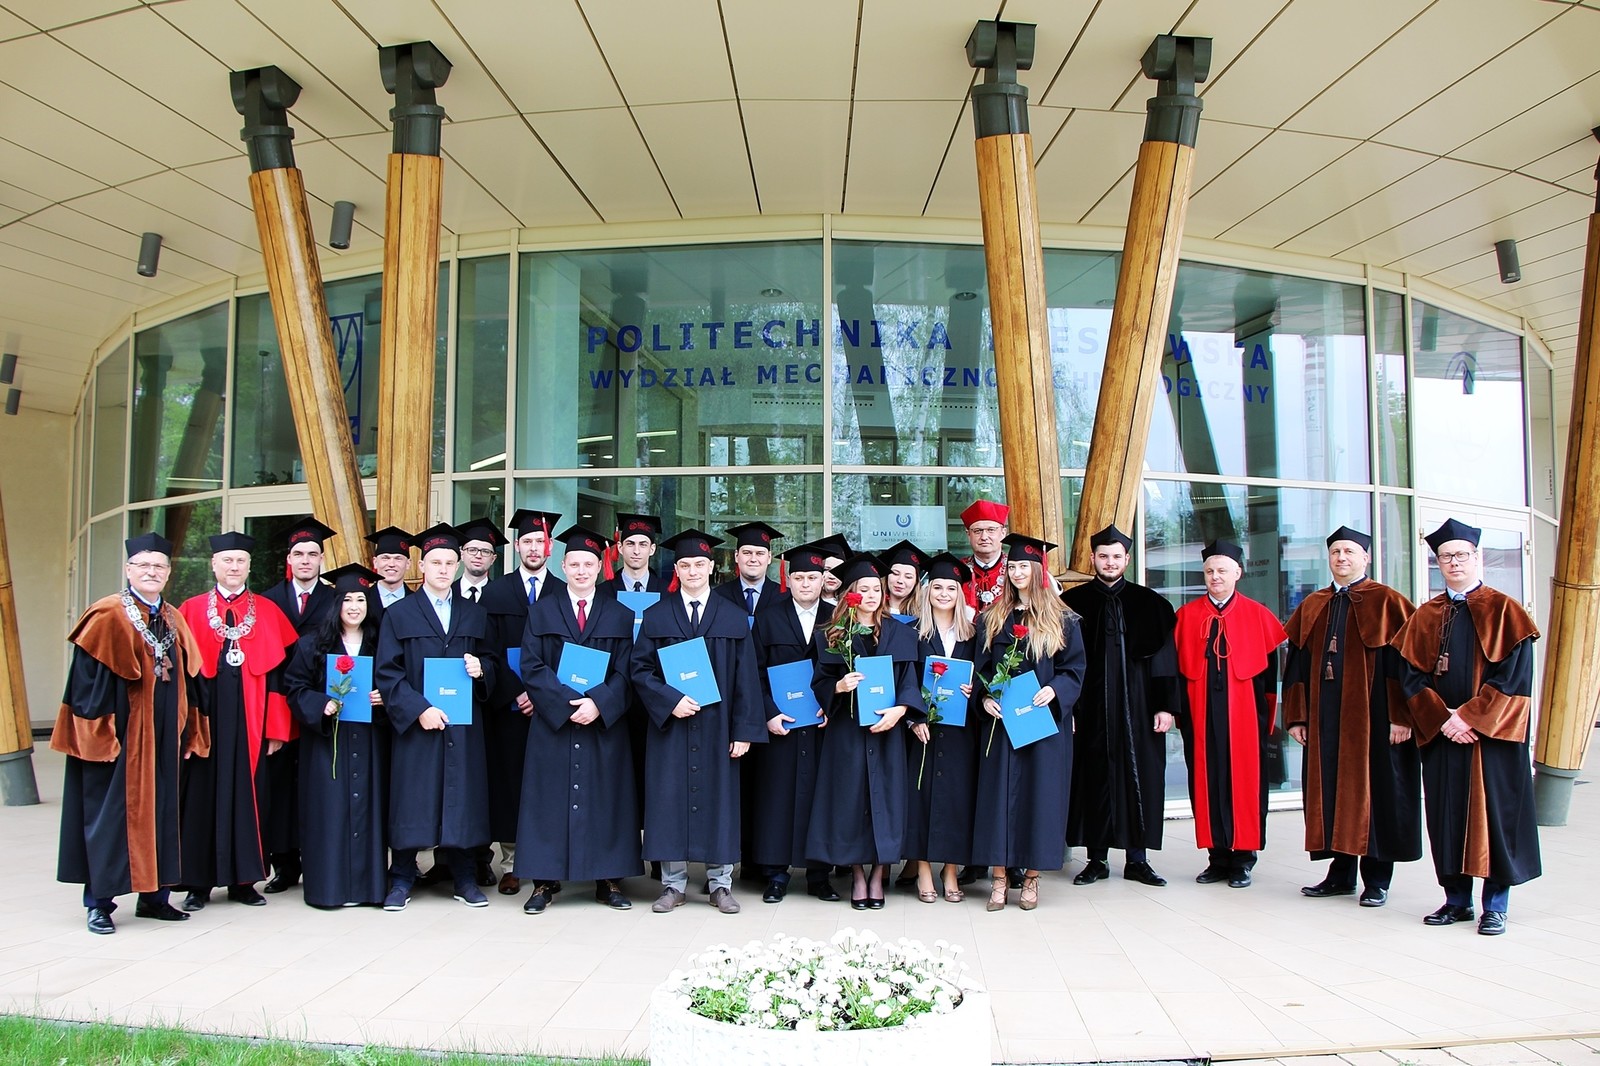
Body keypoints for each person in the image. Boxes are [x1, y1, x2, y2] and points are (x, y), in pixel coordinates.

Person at [53, 532, 210, 935]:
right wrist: (98, 737)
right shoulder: (107, 615)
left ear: (168, 573)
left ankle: (155, 898)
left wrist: (192, 731)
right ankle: (99, 904)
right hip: (121, 740)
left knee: (163, 815)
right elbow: (86, 684)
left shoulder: (173, 619)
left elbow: (193, 681)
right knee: (110, 818)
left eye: (159, 566)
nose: (151, 572)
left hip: (165, 740)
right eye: (143, 565)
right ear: (128, 570)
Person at [1392, 518, 1541, 936]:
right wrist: (1443, 720)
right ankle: (1456, 900)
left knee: (1494, 819)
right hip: (1443, 736)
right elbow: (1409, 677)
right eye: (1445, 557)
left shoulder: (1505, 610)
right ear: (1437, 563)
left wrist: (1469, 717)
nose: (1454, 562)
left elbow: (1514, 679)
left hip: (1491, 739)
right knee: (1447, 818)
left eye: (1461, 555)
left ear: (1477, 557)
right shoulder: (1426, 615)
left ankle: (1495, 905)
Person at [1283, 525, 1421, 908]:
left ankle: (1376, 880)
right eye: (1335, 552)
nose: (1341, 557)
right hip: (1326, 719)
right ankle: (1340, 874)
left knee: (1375, 794)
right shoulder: (1314, 604)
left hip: (1374, 719)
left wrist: (1402, 716)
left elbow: (1406, 665)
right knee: (1331, 791)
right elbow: (1296, 665)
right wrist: (1297, 716)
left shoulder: (1389, 602)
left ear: (1366, 557)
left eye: (1349, 551)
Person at [629, 529, 764, 915]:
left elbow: (747, 679)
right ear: (676, 569)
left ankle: (721, 884)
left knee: (720, 803)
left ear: (711, 567)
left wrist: (744, 730)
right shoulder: (657, 615)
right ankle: (673, 885)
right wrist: (670, 701)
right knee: (669, 801)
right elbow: (639, 670)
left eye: (699, 564)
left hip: (719, 729)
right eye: (685, 565)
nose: (692, 571)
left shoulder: (733, 617)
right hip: (671, 728)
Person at [514, 526, 641, 914]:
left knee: (607, 799)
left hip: (603, 725)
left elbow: (628, 669)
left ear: (599, 568)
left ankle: (608, 879)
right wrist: (568, 704)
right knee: (547, 800)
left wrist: (599, 704)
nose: (582, 571)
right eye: (574, 564)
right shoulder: (541, 611)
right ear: (563, 566)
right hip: (554, 724)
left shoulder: (620, 614)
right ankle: (544, 881)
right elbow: (531, 666)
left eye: (588, 564)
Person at [374, 523, 498, 912]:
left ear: (457, 565)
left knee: (462, 796)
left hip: (463, 724)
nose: (443, 569)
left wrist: (482, 670)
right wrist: (418, 709)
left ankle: (464, 877)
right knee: (413, 796)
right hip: (418, 725)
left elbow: (493, 661)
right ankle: (402, 876)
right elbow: (387, 672)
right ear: (422, 566)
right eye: (436, 563)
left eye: (449, 563)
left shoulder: (475, 613)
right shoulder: (399, 614)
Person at [176, 530, 299, 911]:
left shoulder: (268, 611)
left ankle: (244, 881)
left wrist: (277, 729)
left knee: (252, 799)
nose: (234, 567)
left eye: (240, 561)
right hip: (206, 722)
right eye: (227, 561)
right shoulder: (191, 610)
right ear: (214, 565)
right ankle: (198, 884)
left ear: (249, 566)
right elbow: (183, 676)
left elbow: (280, 677)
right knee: (201, 799)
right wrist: (187, 729)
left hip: (253, 721)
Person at [971, 534, 1085, 912]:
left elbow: (1074, 668)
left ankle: (1032, 878)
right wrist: (984, 698)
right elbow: (981, 668)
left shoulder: (1063, 619)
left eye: (1024, 566)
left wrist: (1055, 690)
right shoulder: (992, 618)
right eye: (1013, 566)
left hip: (1043, 723)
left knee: (1041, 798)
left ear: (1038, 570)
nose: (1017, 572)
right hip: (1002, 724)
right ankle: (1000, 878)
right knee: (998, 799)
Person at [1166, 539, 1287, 890]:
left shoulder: (1257, 615)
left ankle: (1244, 858)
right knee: (1206, 782)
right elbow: (1176, 673)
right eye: (1209, 571)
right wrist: (1180, 717)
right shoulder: (1186, 616)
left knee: (1246, 784)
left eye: (1222, 570)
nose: (1215, 576)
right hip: (1200, 715)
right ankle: (1217, 857)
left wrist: (1266, 720)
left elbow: (1269, 678)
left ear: (1238, 573)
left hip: (1245, 716)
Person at [806, 554, 924, 910]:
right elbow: (820, 681)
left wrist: (901, 710)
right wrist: (838, 686)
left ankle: (878, 874)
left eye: (876, 589)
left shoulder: (901, 632)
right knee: (849, 801)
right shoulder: (832, 634)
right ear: (850, 594)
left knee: (886, 801)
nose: (871, 595)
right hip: (847, 733)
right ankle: (857, 874)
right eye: (864, 589)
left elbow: (910, 681)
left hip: (887, 731)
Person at [1062, 524, 1177, 888]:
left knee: (1139, 776)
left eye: (1116, 556)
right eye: (1103, 556)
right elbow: (1062, 663)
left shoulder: (1152, 605)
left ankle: (1137, 860)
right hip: (1090, 710)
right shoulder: (1072, 605)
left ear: (1127, 559)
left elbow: (1165, 661)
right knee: (1092, 779)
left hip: (1139, 708)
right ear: (1092, 558)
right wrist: (1068, 709)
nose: (1109, 562)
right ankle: (1096, 859)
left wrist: (1165, 706)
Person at [281, 563, 389, 909]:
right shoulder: (313, 644)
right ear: (336, 604)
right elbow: (295, 688)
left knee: (368, 808)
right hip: (327, 742)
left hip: (370, 739)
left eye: (361, 599)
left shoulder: (381, 643)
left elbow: (398, 681)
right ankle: (328, 889)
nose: (354, 607)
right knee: (329, 811)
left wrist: (384, 697)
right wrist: (321, 704)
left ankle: (368, 889)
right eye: (347, 600)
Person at [474, 508, 564, 894]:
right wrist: (518, 691)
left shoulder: (563, 592)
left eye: (539, 541)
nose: (533, 547)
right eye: (526, 541)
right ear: (515, 545)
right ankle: (512, 862)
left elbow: (569, 655)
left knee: (551, 784)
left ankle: (550, 861)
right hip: (510, 706)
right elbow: (488, 651)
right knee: (510, 781)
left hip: (553, 707)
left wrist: (544, 694)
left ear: (550, 547)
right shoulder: (495, 593)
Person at [747, 543, 839, 903]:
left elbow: (848, 670)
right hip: (781, 726)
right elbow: (753, 671)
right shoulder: (768, 617)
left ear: (823, 580)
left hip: (821, 724)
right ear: (789, 579)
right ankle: (775, 874)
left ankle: (819, 875)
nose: (805, 584)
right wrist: (768, 712)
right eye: (798, 578)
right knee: (777, 797)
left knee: (821, 796)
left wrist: (833, 707)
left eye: (812, 578)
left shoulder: (836, 617)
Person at [257, 516, 338, 896]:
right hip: (279, 705)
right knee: (281, 787)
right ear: (289, 559)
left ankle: (321, 858)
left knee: (320, 785)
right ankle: (285, 864)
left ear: (322, 558)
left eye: (312, 554)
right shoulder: (267, 601)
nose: (306, 560)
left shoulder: (336, 599)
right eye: (299, 554)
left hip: (324, 706)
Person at [904, 553, 977, 904]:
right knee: (919, 796)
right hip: (922, 730)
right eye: (937, 587)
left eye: (951, 588)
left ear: (959, 593)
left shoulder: (973, 634)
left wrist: (975, 690)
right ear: (927, 591)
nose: (944, 593)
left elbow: (984, 675)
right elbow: (903, 679)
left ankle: (950, 869)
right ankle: (921, 868)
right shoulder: (911, 632)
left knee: (957, 798)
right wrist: (913, 718)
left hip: (961, 731)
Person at [713, 521, 784, 620]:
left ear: (769, 558)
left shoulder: (785, 597)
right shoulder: (718, 596)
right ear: (736, 556)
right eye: (747, 553)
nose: (753, 559)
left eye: (760, 553)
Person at [960, 499, 1009, 612]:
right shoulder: (958, 570)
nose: (984, 537)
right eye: (977, 531)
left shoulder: (1016, 570)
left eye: (991, 530)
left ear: (1003, 533)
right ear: (968, 535)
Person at [601, 512, 668, 594]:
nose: (636, 551)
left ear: (652, 549)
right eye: (630, 544)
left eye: (643, 545)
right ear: (620, 547)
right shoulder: (603, 592)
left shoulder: (667, 592)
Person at [454, 516, 503, 604]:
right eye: (472, 550)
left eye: (485, 551)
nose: (478, 556)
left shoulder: (501, 596)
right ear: (462, 554)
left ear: (493, 559)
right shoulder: (447, 593)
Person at [366, 526, 413, 608]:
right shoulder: (363, 600)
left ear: (408, 564)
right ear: (375, 562)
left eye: (398, 559)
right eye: (385, 558)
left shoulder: (419, 602)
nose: (391, 564)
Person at [882, 539, 928, 619]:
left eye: (908, 577)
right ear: (887, 576)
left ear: (916, 582)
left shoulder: (923, 617)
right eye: (895, 573)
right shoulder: (871, 612)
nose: (900, 580)